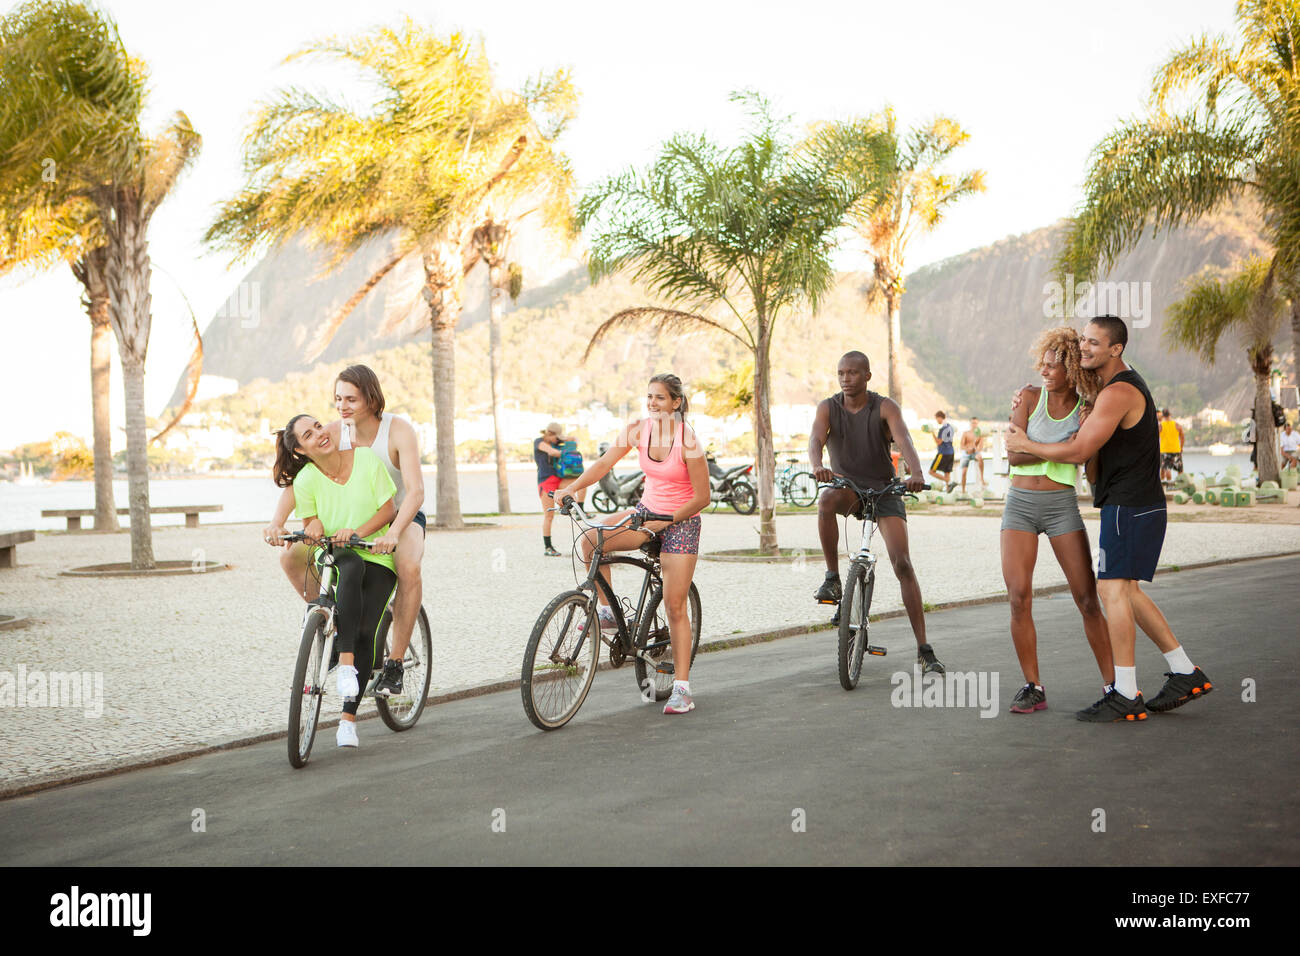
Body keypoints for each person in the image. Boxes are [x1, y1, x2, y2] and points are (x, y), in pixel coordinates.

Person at [1006, 316, 1213, 722]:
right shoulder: (1108, 390)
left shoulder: (1118, 392)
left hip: (1131, 505)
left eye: (1093, 343)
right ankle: (1185, 671)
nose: (1084, 348)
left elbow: (1081, 451)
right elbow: (1091, 459)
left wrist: (1026, 441)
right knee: (1127, 592)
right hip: (1132, 504)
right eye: (1082, 341)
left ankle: (1123, 692)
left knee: (1112, 593)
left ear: (1115, 349)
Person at [547, 374, 710, 714]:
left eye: (661, 398)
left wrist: (667, 521)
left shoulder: (688, 440)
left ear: (676, 402)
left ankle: (682, 689)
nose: (653, 403)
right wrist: (570, 489)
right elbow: (604, 463)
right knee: (591, 541)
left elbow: (703, 497)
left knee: (674, 604)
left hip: (681, 522)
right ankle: (606, 611)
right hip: (644, 513)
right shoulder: (638, 429)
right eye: (649, 396)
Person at [263, 365, 424, 698]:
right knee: (292, 557)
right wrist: (277, 521)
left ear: (370, 396)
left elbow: (416, 491)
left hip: (399, 517)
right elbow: (298, 482)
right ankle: (331, 619)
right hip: (348, 521)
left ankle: (394, 665)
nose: (342, 406)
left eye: (351, 398)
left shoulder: (398, 431)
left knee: (409, 567)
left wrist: (393, 532)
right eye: (338, 399)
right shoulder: (335, 432)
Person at [808, 351, 944, 675]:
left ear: (867, 376)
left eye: (853, 373)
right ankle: (832, 580)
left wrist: (916, 473)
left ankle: (924, 649)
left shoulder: (884, 407)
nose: (845, 378)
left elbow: (904, 439)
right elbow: (815, 438)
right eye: (841, 372)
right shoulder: (828, 407)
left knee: (903, 563)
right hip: (848, 490)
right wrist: (817, 466)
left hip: (885, 490)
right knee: (826, 501)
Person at [1002, 327, 1114, 714]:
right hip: (1019, 504)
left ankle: (1114, 685)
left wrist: (1081, 444)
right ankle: (1033, 686)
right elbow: (1014, 457)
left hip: (1062, 505)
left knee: (1087, 599)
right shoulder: (1029, 397)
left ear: (1072, 369)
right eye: (1043, 364)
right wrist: (1067, 448)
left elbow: (1091, 465)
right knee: (1018, 597)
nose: (1045, 371)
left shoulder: (1089, 407)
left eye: (1054, 366)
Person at [273, 414, 398, 748]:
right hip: (335, 554)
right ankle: (344, 663)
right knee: (349, 568)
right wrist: (312, 528)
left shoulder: (367, 459)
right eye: (308, 435)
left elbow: (388, 511)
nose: (319, 434)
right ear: (300, 449)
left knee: (364, 632)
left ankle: (348, 720)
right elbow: (312, 523)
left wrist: (357, 532)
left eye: (318, 427)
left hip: (376, 552)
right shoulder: (306, 480)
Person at [535, 422, 586, 556]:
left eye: (558, 438)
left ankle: (580, 510)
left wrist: (565, 439)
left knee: (582, 482)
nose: (557, 440)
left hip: (559, 479)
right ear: (549, 434)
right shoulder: (539, 442)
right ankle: (548, 547)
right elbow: (552, 452)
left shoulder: (558, 442)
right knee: (549, 515)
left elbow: (575, 439)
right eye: (555, 437)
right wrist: (566, 452)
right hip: (546, 481)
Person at [928, 411, 956, 492]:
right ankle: (948, 491)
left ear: (940, 417)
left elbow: (939, 442)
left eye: (937, 419)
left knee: (931, 471)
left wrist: (932, 433)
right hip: (951, 452)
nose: (937, 421)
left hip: (943, 453)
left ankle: (949, 482)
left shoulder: (943, 429)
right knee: (947, 472)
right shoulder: (950, 427)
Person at [959, 417, 987, 494]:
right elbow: (961, 446)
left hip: (975, 452)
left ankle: (982, 478)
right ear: (970, 424)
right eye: (973, 423)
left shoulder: (980, 434)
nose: (974, 424)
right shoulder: (966, 433)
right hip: (966, 453)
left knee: (980, 457)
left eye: (976, 423)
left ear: (978, 424)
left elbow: (980, 447)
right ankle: (963, 490)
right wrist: (968, 449)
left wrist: (975, 449)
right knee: (964, 472)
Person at [1158, 408, 1185, 484]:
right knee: (1179, 470)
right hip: (1176, 450)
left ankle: (1168, 486)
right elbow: (1182, 437)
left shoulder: (1160, 426)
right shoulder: (1177, 425)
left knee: (1167, 469)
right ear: (1170, 414)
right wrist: (1181, 447)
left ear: (1163, 416)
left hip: (1165, 451)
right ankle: (1181, 485)